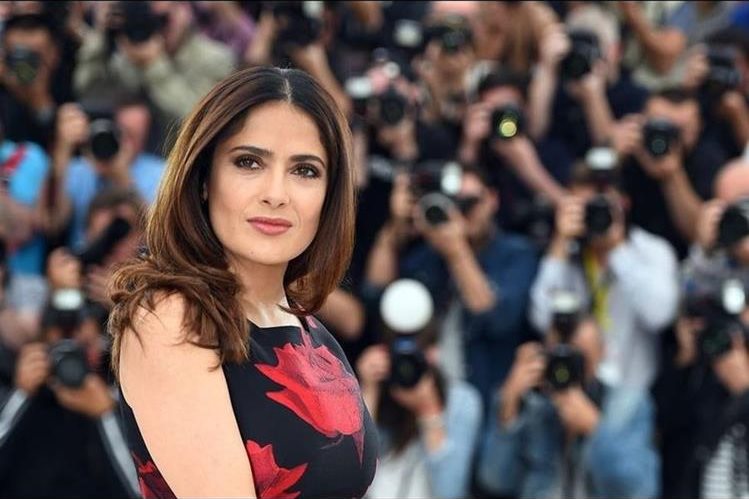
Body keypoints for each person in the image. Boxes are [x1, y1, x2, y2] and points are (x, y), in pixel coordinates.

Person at [107, 66, 378, 498]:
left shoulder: (306, 326)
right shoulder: (172, 317)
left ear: (330, 194)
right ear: (203, 179)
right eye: (248, 162)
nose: (276, 194)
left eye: (305, 170)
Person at [529, 159, 680, 390]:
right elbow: (541, 319)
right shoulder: (566, 254)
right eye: (586, 208)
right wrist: (560, 243)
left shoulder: (651, 250)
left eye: (601, 207)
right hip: (577, 388)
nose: (594, 215)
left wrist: (617, 249)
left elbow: (660, 314)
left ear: (624, 204)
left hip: (634, 391)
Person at [477, 315, 660, 499]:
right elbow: (495, 480)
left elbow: (639, 491)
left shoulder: (626, 405)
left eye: (579, 358)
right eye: (561, 356)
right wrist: (509, 403)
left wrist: (595, 428)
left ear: (602, 352)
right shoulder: (535, 405)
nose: (568, 368)